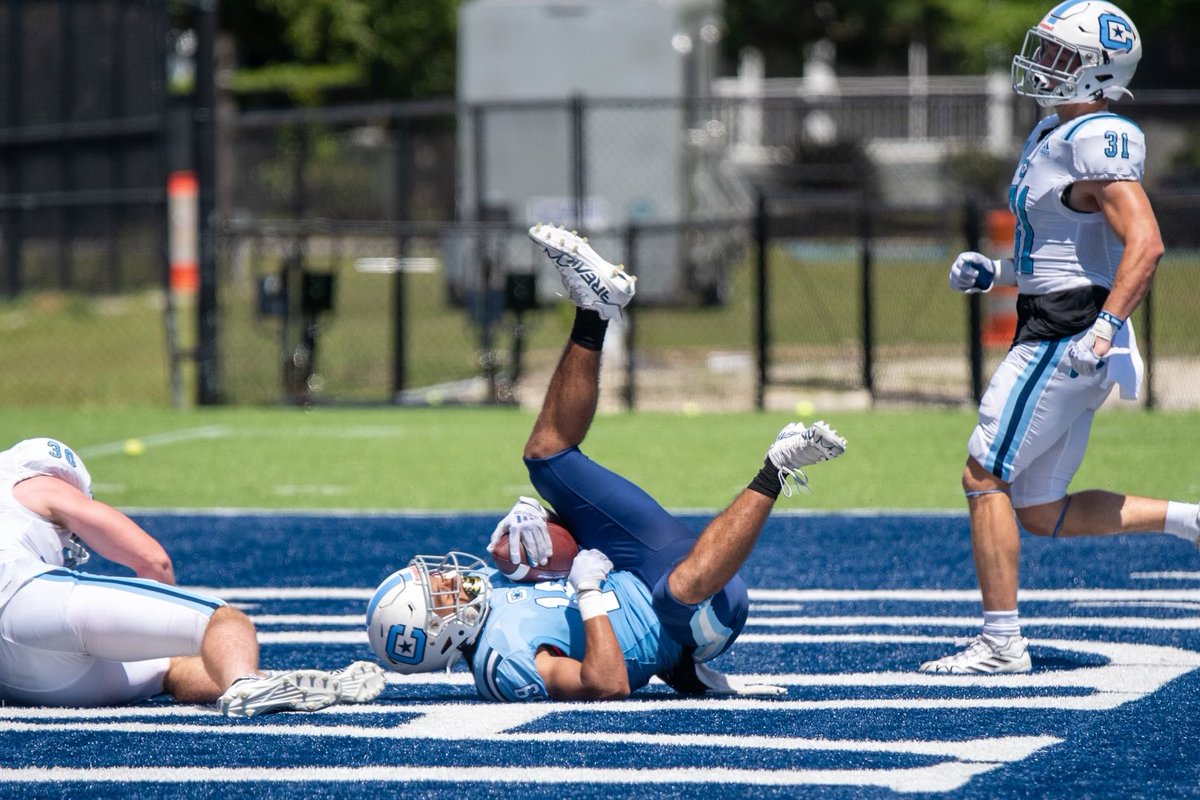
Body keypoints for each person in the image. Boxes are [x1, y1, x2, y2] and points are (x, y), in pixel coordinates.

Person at [366, 224, 847, 701]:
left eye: (438, 578)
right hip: (694, 621)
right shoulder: (502, 662)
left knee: (546, 457)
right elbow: (606, 684)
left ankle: (594, 310)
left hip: (641, 563)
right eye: (440, 595)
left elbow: (570, 554)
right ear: (437, 637)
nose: (448, 578)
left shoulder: (494, 578)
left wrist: (538, 518)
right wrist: (589, 594)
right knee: (677, 592)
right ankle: (776, 469)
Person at [921, 1, 1200, 675]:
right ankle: (1192, 521)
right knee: (1042, 509)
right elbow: (1061, 255)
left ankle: (1000, 643)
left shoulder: (1098, 135)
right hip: (1057, 321)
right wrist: (997, 273)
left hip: (1068, 333)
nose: (1045, 65)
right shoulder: (1053, 130)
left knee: (984, 473)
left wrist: (1103, 332)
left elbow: (1146, 243)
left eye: (1062, 57)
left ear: (1099, 74)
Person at [0, 436, 386, 716]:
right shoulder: (37, 483)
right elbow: (153, 560)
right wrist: (161, 628)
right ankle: (245, 684)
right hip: (22, 598)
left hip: (17, 681)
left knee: (172, 669)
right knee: (224, 621)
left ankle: (277, 684)